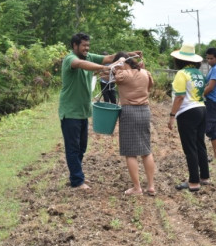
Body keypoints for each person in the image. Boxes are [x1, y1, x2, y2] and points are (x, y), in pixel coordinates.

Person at [59, 32, 117, 189]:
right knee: (73, 148)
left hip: (83, 112)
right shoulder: (70, 59)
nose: (86, 48)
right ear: (75, 46)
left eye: (88, 46)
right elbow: (81, 65)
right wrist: (103, 69)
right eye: (83, 46)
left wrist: (128, 55)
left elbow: (108, 58)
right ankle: (77, 181)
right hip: (70, 111)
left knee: (82, 147)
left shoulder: (88, 56)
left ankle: (77, 176)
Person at [167, 43, 210, 192]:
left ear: (179, 60)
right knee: (200, 144)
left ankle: (193, 182)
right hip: (201, 109)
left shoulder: (181, 74)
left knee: (190, 147)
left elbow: (179, 97)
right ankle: (204, 177)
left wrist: (172, 115)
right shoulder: (199, 73)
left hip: (188, 112)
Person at [112, 52, 156, 196]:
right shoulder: (145, 73)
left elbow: (113, 75)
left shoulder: (124, 74)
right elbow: (150, 86)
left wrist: (117, 64)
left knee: (130, 152)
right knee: (146, 150)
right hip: (144, 111)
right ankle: (151, 186)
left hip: (129, 111)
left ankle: (137, 188)